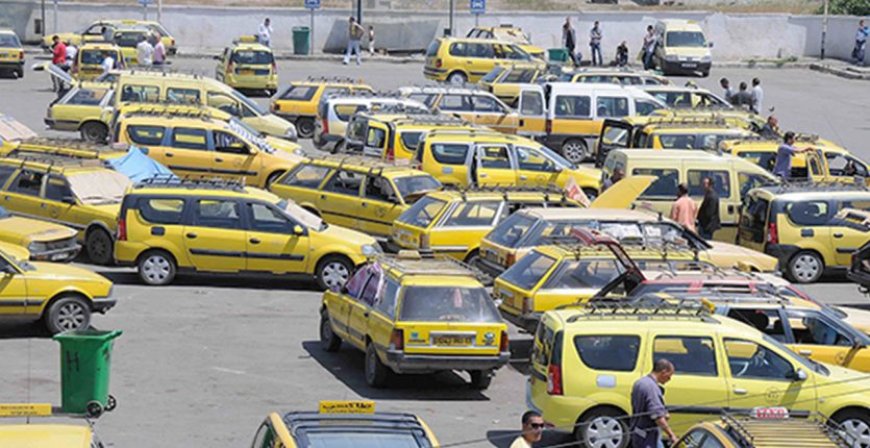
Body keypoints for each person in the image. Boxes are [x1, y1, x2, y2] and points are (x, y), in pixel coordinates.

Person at [629, 359, 677, 448]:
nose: (669, 379)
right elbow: (657, 416)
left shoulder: (639, 383)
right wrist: (671, 435)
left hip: (637, 432)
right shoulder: (652, 388)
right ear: (663, 372)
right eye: (669, 376)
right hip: (647, 436)